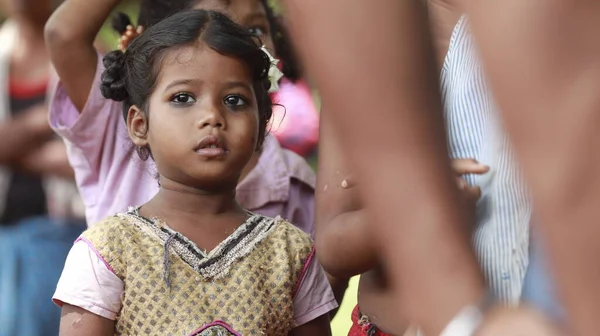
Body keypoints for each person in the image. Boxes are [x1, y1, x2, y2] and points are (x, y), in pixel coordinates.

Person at [52, 10, 336, 335]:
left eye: (234, 100)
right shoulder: (108, 251)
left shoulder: (291, 253)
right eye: (183, 98)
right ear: (139, 124)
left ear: (261, 126)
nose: (212, 116)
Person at [44, 0, 318, 232]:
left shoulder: (295, 183)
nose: (241, 46)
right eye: (216, 27)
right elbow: (63, 34)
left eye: (256, 29)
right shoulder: (118, 134)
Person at [0, 1, 86, 335]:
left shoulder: (87, 57)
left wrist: (9, 147)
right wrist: (44, 119)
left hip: (66, 239)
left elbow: (92, 161)